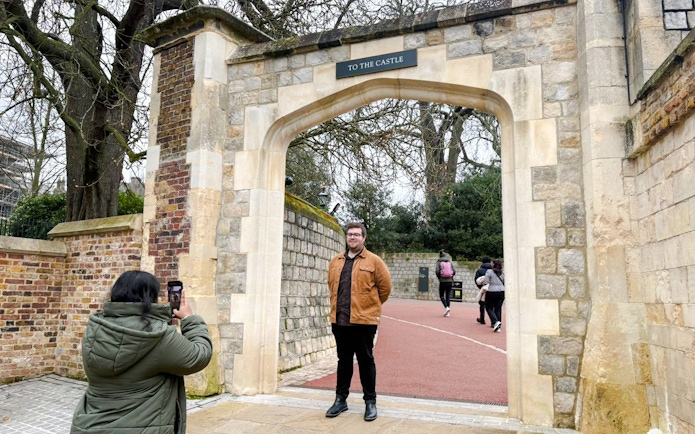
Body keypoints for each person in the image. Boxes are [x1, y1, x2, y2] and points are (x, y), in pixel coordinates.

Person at [71, 270, 213, 433]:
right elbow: (199, 355)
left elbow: (140, 342)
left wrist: (160, 317)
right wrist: (189, 319)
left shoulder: (96, 328)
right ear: (149, 298)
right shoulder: (160, 338)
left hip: (90, 424)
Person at [325, 222, 392, 422]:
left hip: (364, 321)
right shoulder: (336, 261)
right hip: (340, 320)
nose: (352, 237)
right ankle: (340, 400)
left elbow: (385, 288)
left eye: (357, 234)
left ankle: (370, 402)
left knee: (365, 361)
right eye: (350, 234)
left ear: (364, 238)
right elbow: (331, 286)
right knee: (343, 361)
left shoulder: (374, 261)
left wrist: (370, 307)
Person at [483, 259, 505, 332]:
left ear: (493, 265)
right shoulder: (502, 273)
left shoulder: (489, 272)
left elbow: (486, 281)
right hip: (501, 291)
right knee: (498, 308)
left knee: (489, 307)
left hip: (491, 291)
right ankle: (498, 326)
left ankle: (495, 321)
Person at [435, 250, 456, 317]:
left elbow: (437, 271)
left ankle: (446, 307)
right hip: (450, 281)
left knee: (441, 296)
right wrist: (451, 276)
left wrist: (439, 277)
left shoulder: (439, 262)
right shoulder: (449, 262)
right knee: (447, 296)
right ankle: (448, 312)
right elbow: (454, 271)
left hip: (442, 281)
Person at [474, 256, 492, 325]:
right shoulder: (493, 270)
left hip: (483, 289)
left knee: (482, 304)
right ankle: (493, 321)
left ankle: (482, 319)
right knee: (491, 305)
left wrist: (480, 287)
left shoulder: (480, 270)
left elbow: (476, 280)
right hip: (492, 289)